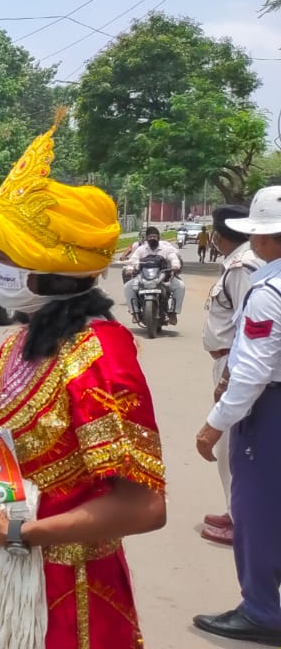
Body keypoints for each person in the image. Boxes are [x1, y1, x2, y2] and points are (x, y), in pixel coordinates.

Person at [0, 115, 167, 647]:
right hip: (1, 573)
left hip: (70, 594)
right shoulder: (16, 343)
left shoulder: (101, 356)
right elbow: (9, 453)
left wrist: (17, 532)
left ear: (50, 270)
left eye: (4, 254)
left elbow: (143, 506)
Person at [193, 186, 281, 646]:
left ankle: (262, 610)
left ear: (266, 239)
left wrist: (215, 423)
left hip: (271, 408)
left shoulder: (269, 288)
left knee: (257, 509)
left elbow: (252, 371)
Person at [198, 206, 260, 547]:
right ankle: (235, 510)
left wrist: (228, 379)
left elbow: (247, 326)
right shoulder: (239, 262)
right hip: (228, 360)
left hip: (234, 363)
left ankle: (243, 520)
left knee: (231, 446)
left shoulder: (242, 267)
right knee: (231, 445)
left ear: (220, 236)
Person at [124, 225, 185, 325]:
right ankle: (135, 313)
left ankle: (173, 313)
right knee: (128, 287)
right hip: (143, 278)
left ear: (158, 238)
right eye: (150, 237)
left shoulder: (165, 249)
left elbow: (173, 258)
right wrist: (130, 269)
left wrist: (175, 266)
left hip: (163, 278)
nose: (152, 238)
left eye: (154, 237)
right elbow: (133, 260)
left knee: (180, 286)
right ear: (147, 238)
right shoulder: (141, 249)